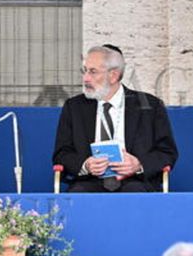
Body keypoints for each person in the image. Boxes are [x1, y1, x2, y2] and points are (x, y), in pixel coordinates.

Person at [53, 46, 178, 192]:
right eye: (85, 71)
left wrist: (138, 164)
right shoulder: (74, 107)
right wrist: (85, 165)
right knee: (79, 193)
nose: (85, 78)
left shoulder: (150, 106)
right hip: (89, 181)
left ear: (113, 75)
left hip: (135, 181)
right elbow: (61, 154)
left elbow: (167, 152)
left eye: (93, 72)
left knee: (135, 192)